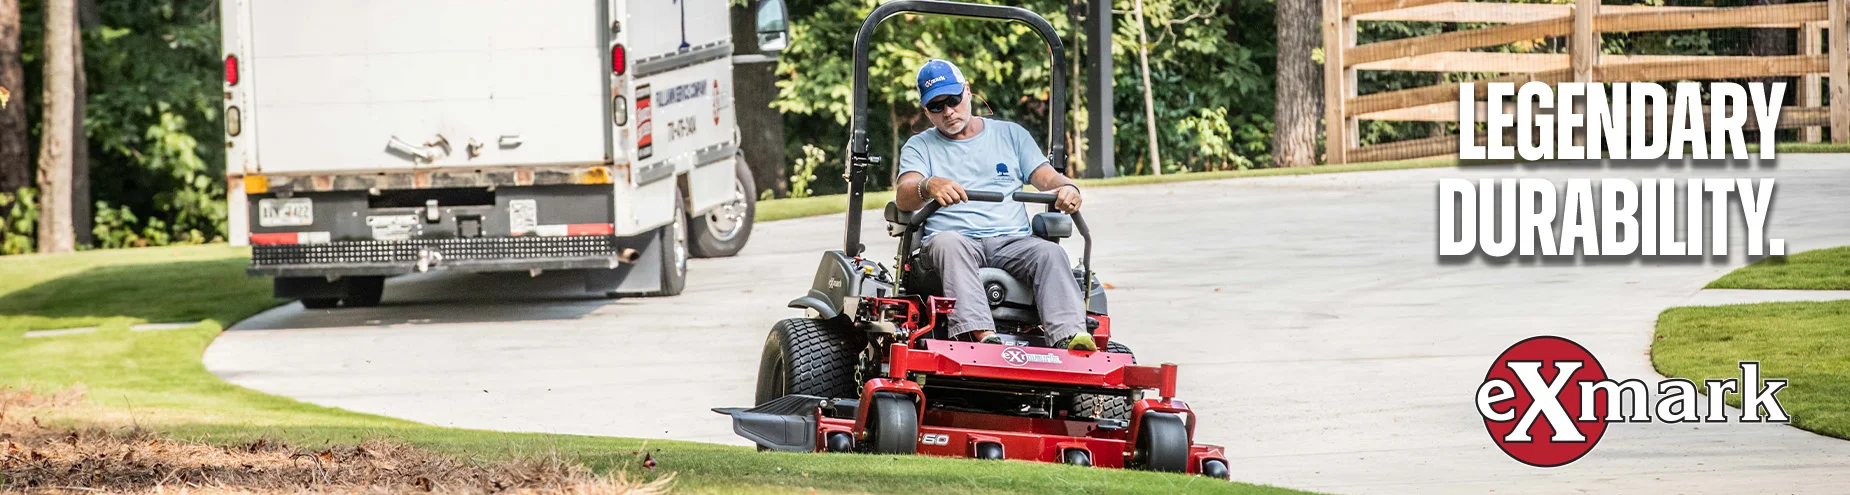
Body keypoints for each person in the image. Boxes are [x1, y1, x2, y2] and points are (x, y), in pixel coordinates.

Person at [892, 59, 1093, 351]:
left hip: (1011, 240)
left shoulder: (1011, 135)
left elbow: (1046, 177)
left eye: (953, 100)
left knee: (1050, 253)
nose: (948, 111)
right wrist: (929, 185)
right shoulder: (919, 146)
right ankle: (982, 336)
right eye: (937, 106)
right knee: (950, 243)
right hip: (953, 241)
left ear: (968, 91)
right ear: (926, 111)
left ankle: (1070, 339)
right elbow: (905, 193)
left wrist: (1068, 188)